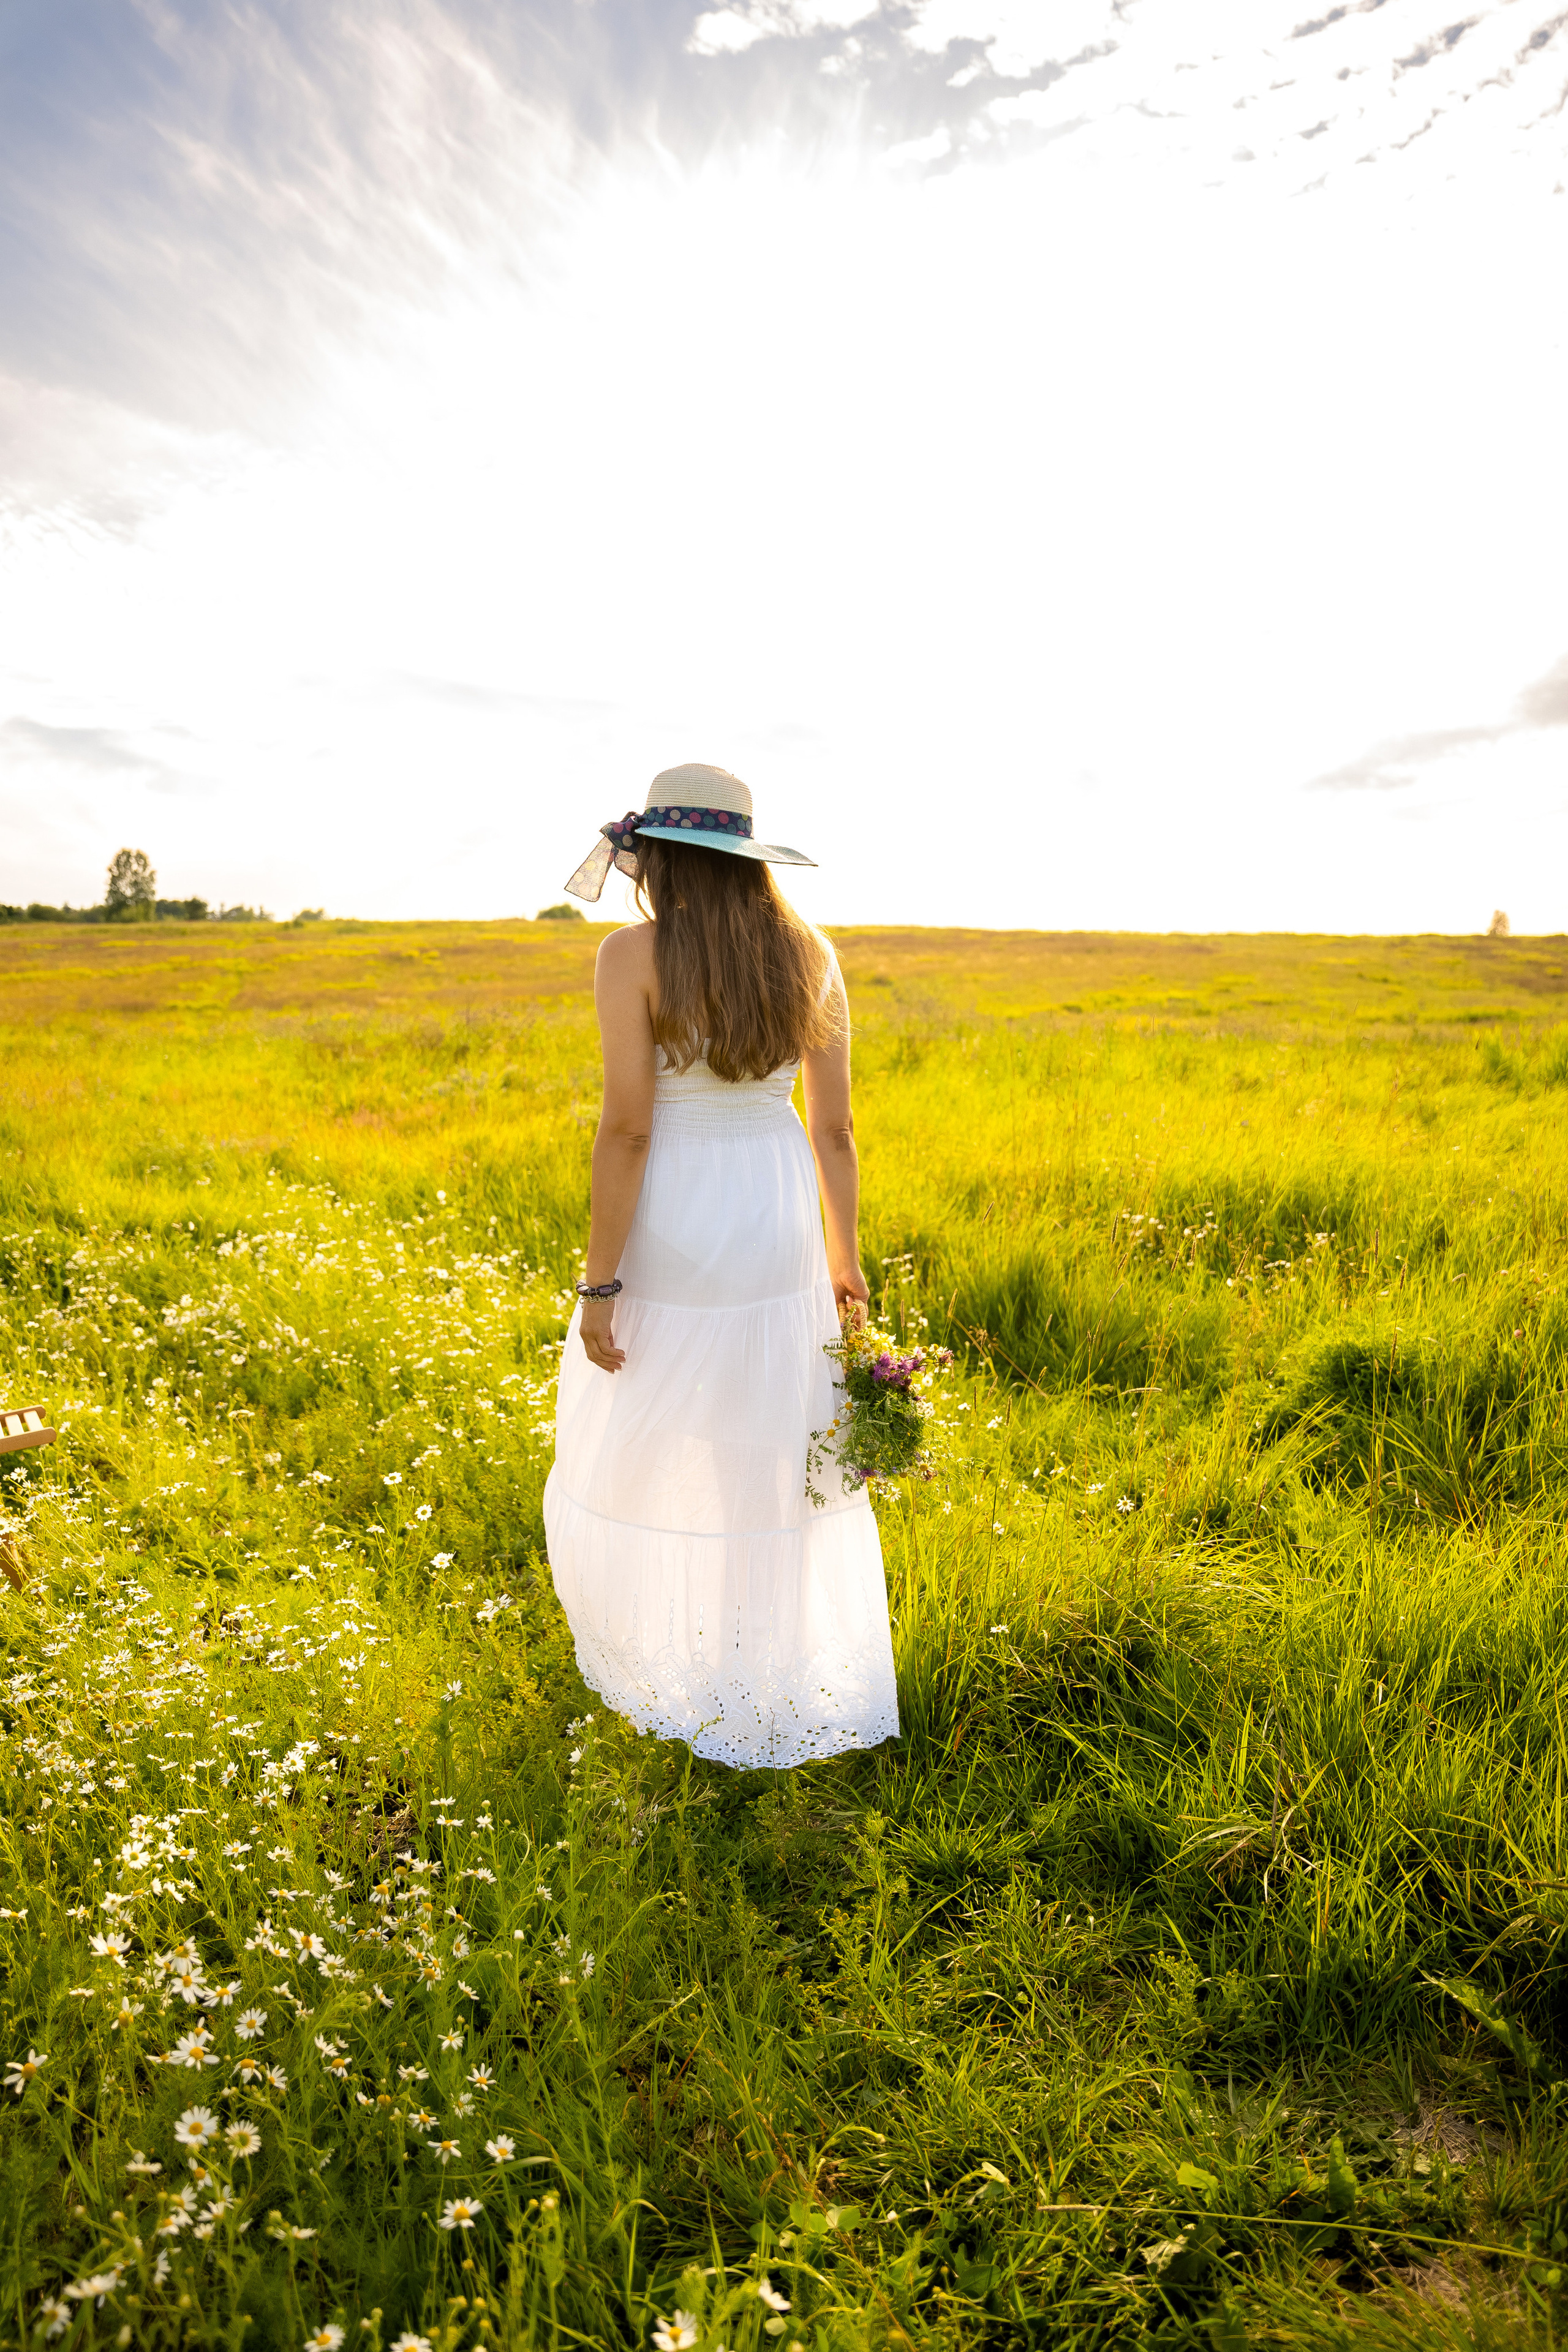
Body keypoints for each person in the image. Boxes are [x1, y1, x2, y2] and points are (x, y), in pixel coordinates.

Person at [542, 764, 900, 1770]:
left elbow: (626, 1129)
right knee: (772, 1445)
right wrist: (847, 1265)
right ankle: (764, 1662)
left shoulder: (630, 955)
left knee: (654, 1434)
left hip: (680, 1214)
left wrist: (600, 1283)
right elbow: (833, 1130)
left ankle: (683, 1652)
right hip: (776, 1207)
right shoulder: (811, 952)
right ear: (747, 859)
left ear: (656, 857)